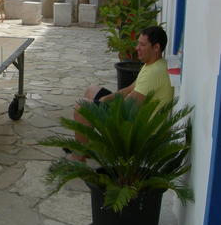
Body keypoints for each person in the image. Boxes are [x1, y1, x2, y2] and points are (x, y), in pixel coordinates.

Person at [69, 25, 173, 161]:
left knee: (81, 107)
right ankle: (86, 147)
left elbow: (131, 106)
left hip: (134, 128)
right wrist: (107, 98)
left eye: (142, 45)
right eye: (138, 43)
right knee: (91, 90)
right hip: (130, 113)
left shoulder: (154, 73)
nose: (137, 48)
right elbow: (129, 89)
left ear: (156, 47)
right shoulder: (151, 64)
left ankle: (79, 156)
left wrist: (102, 106)